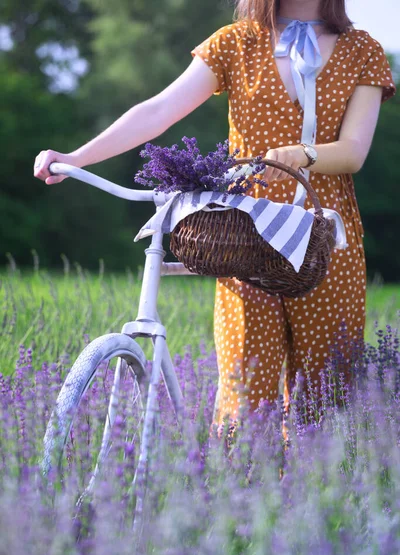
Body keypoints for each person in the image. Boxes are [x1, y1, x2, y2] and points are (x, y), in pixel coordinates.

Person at [34, 0, 395, 428]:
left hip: (324, 235)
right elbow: (159, 109)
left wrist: (304, 154)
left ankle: (320, 491)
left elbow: (353, 152)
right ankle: (239, 489)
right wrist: (77, 157)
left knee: (327, 397)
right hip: (245, 233)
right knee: (244, 397)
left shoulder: (362, 50)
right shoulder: (236, 42)